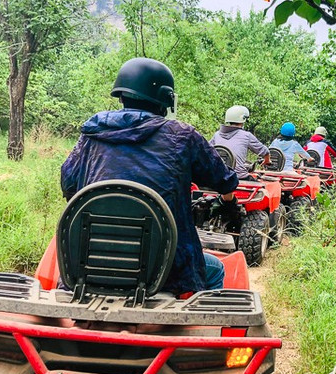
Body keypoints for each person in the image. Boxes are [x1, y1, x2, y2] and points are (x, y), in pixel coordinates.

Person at [60, 57, 239, 296]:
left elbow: (69, 185)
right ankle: (205, 326)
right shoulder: (183, 137)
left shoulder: (91, 135)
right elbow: (225, 180)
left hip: (89, 261)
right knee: (215, 268)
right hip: (167, 270)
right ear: (166, 99)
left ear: (121, 95)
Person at [210, 105, 271, 181]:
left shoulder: (216, 135)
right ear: (243, 119)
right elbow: (265, 151)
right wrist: (267, 160)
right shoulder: (246, 135)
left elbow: (206, 150)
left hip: (218, 176)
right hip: (238, 177)